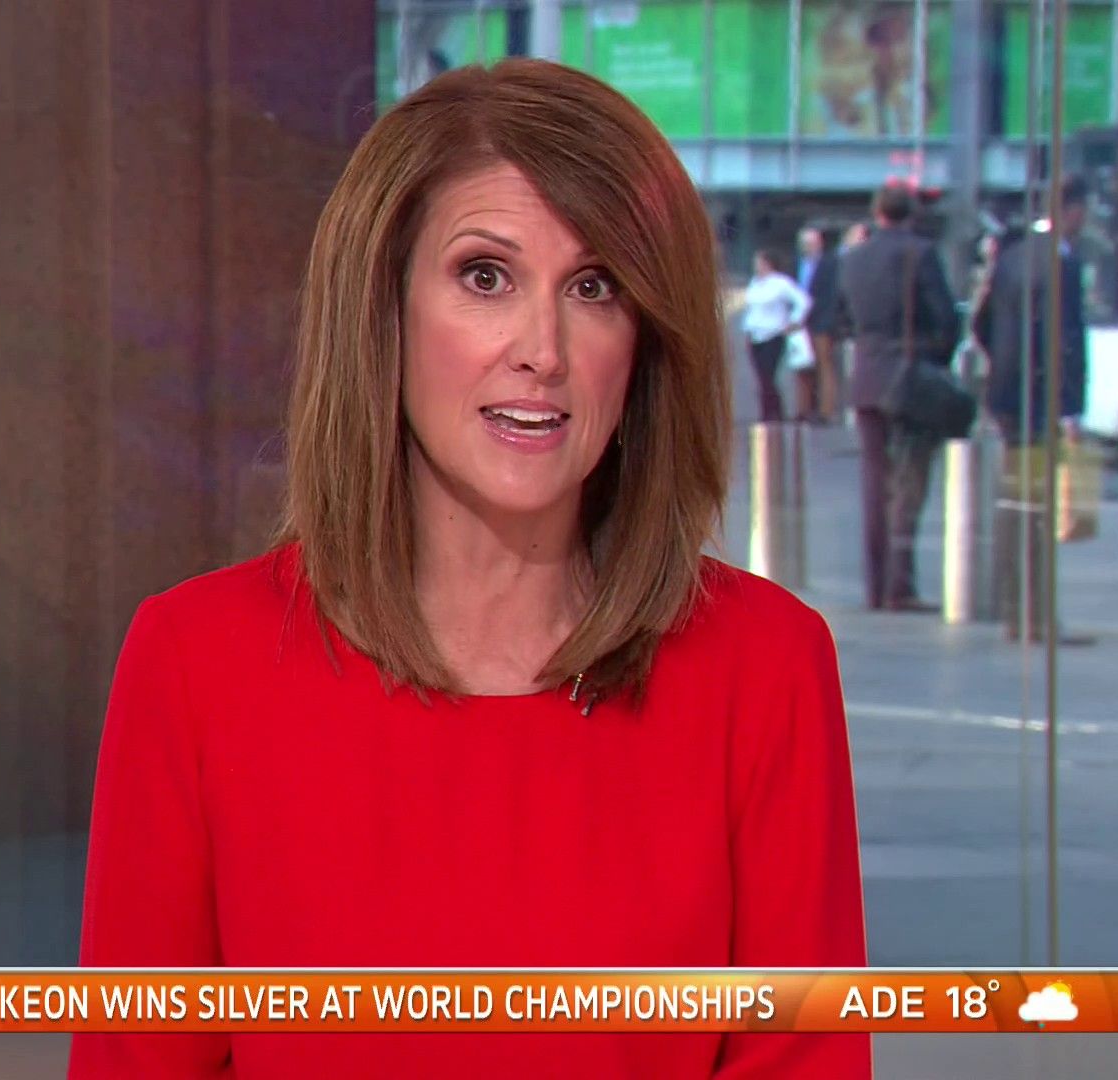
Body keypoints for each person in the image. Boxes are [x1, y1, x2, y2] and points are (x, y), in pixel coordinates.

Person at [69, 59, 870, 1078]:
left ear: (645, 341)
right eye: (486, 277)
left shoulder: (765, 666)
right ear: (384, 310)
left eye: (595, 287)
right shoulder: (198, 663)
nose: (543, 349)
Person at [972, 175, 1093, 645]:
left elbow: (982, 322)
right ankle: (1036, 614)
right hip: (1041, 399)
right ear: (1072, 210)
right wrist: (1070, 408)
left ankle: (1014, 607)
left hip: (1008, 394)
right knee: (1039, 508)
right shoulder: (1062, 264)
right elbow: (1065, 341)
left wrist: (1002, 365)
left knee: (1017, 504)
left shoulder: (1014, 257)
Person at [832, 184, 959, 612]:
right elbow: (945, 319)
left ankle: (876, 584)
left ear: (877, 213)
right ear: (911, 214)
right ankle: (899, 584)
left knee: (874, 482)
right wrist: (935, 358)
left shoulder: (853, 259)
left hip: (866, 377)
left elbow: (840, 318)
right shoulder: (921, 254)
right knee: (909, 482)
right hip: (908, 378)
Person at [741, 248, 810, 422]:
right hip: (755, 335)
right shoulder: (755, 283)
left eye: (759, 262)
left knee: (768, 374)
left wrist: (794, 321)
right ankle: (768, 411)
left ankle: (774, 412)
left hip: (773, 335)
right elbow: (751, 310)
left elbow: (803, 301)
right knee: (761, 376)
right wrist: (747, 331)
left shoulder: (781, 283)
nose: (756, 266)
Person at [796, 225, 843, 424]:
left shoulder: (830, 264)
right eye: (804, 243)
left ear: (820, 244)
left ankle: (826, 411)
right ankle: (805, 409)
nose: (807, 247)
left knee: (825, 365)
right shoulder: (798, 264)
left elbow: (833, 295)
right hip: (800, 323)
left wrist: (830, 320)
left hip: (822, 322)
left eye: (811, 243)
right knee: (803, 367)